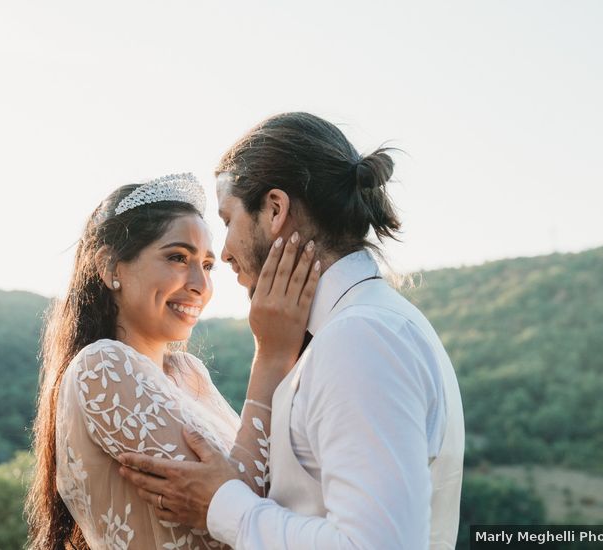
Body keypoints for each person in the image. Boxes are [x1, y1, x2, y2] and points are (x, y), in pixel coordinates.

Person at [118, 113, 465, 549]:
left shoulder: (360, 339)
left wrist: (222, 504)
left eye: (228, 220)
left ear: (275, 210)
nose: (223, 253)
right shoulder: (363, 327)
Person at [25, 173, 321, 550]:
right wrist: (273, 355)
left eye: (209, 265)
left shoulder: (187, 373)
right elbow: (231, 511)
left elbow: (257, 497)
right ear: (110, 267)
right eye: (178, 257)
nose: (200, 283)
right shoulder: (103, 367)